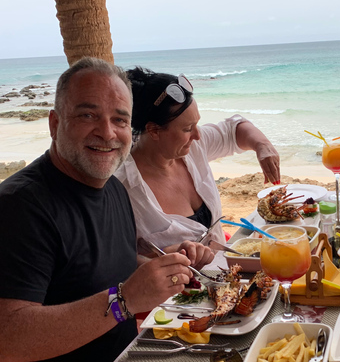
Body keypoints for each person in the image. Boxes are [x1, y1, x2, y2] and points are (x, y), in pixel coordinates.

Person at [0, 57, 215, 362]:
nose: (107, 132)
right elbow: (5, 342)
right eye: (88, 115)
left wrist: (160, 270)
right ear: (55, 124)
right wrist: (124, 302)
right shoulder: (17, 209)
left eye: (120, 120)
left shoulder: (111, 190)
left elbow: (108, 269)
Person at [114, 67, 281, 256]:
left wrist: (262, 145)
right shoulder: (122, 188)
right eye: (187, 129)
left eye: (196, 124)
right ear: (153, 130)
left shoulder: (192, 148)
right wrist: (163, 254)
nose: (198, 135)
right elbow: (116, 258)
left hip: (227, 273)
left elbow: (234, 129)